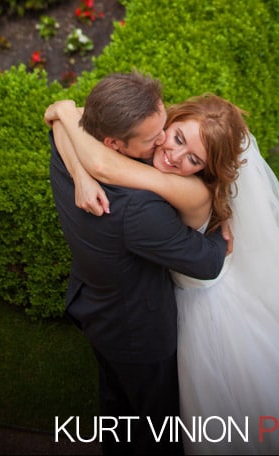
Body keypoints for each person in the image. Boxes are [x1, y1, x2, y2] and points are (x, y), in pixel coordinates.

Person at [48, 92, 279, 455]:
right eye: (178, 138)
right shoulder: (162, 142)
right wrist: (69, 138)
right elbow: (76, 129)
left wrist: (66, 125)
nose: (173, 155)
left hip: (205, 300)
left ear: (205, 168)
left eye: (193, 159)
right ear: (173, 118)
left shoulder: (187, 189)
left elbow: (103, 164)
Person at [46, 73, 229, 456]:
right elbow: (209, 262)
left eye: (165, 127)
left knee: (115, 399)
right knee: (156, 425)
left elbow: (62, 116)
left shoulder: (70, 143)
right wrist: (220, 224)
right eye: (153, 138)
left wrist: (80, 170)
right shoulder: (139, 210)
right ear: (114, 144)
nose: (163, 141)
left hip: (92, 303)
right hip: (137, 332)